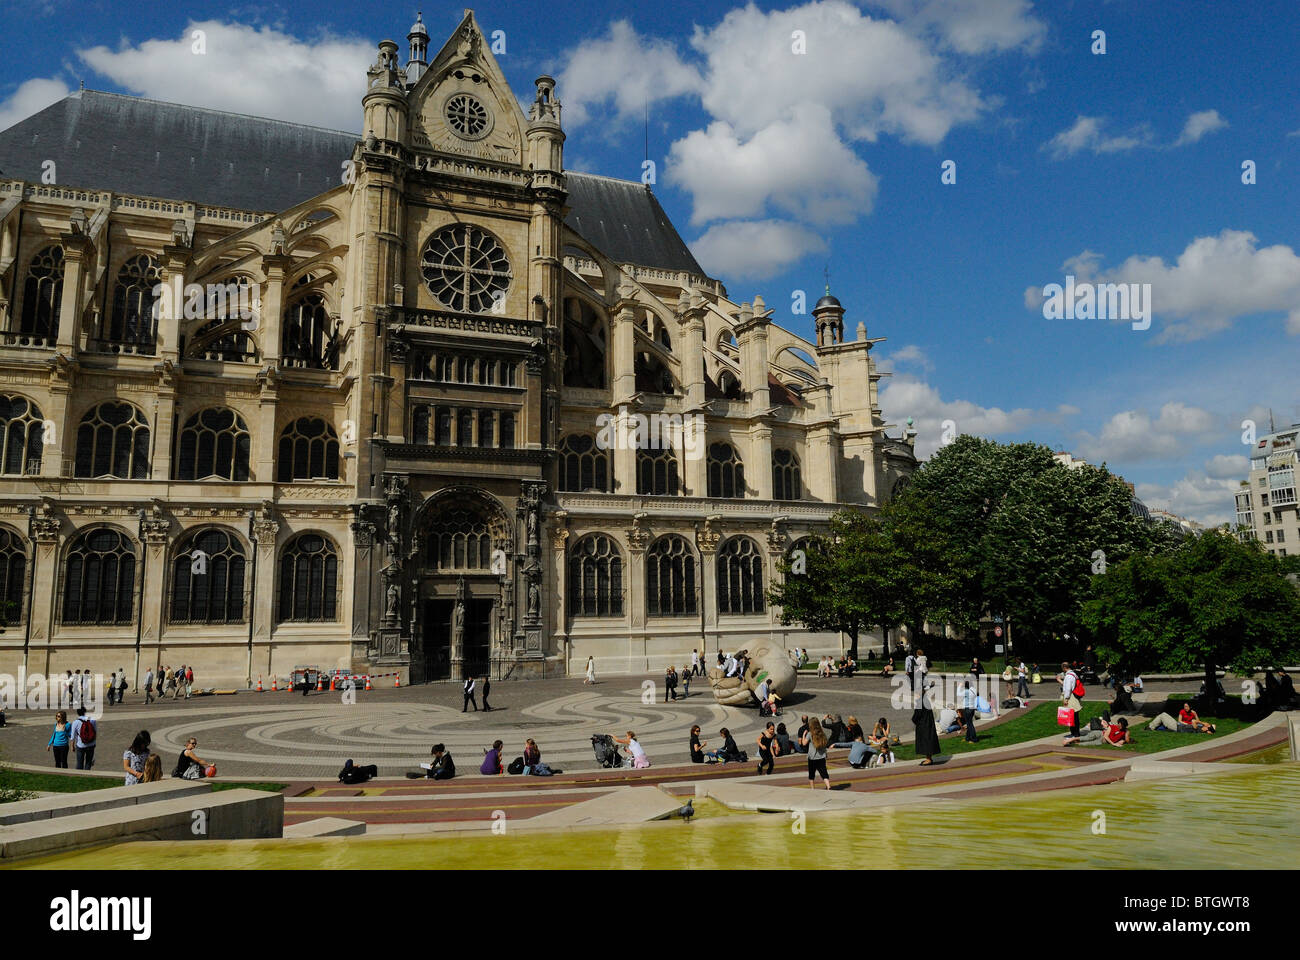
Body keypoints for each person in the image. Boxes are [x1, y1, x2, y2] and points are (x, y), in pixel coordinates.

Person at [801, 716, 831, 790]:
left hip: (812, 757)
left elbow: (804, 743)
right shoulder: (822, 733)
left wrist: (803, 735)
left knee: (811, 774)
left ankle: (812, 789)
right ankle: (828, 786)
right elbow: (825, 744)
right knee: (824, 773)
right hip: (821, 757)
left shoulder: (810, 734)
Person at [912, 694, 941, 765]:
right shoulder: (925, 700)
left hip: (924, 725)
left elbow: (917, 715)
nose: (915, 695)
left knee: (926, 742)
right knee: (928, 741)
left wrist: (914, 720)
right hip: (928, 724)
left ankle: (928, 759)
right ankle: (929, 758)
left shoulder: (920, 702)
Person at [1066, 717, 1132, 747]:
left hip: (1102, 741)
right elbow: (1106, 736)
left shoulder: (1124, 731)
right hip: (1100, 735)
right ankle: (1071, 739)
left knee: (1087, 744)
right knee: (1086, 738)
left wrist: (1126, 735)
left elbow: (1127, 740)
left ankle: (1073, 743)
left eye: (1121, 726)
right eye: (1119, 725)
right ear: (1118, 723)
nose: (1120, 727)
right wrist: (1113, 744)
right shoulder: (1112, 727)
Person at [1060, 660, 1083, 741]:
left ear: (1064, 667)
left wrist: (1066, 699)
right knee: (1074, 717)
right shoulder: (1073, 674)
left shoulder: (1069, 676)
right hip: (1074, 697)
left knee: (1072, 717)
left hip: (1071, 698)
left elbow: (1068, 688)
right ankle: (1075, 733)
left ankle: (1075, 734)